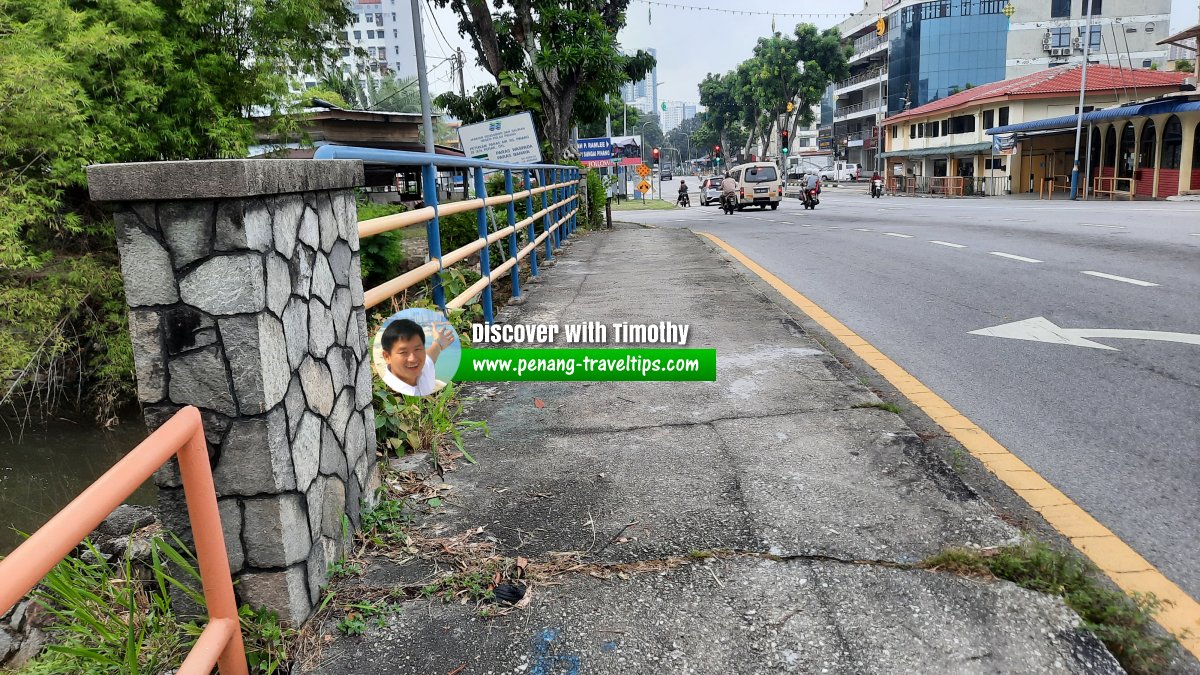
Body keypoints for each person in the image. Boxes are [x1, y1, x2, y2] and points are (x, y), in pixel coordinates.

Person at [378, 318, 456, 396]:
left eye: (417, 349)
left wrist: (438, 342)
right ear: (387, 357)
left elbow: (430, 356)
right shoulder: (389, 394)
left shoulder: (423, 368)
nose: (413, 359)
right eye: (403, 352)